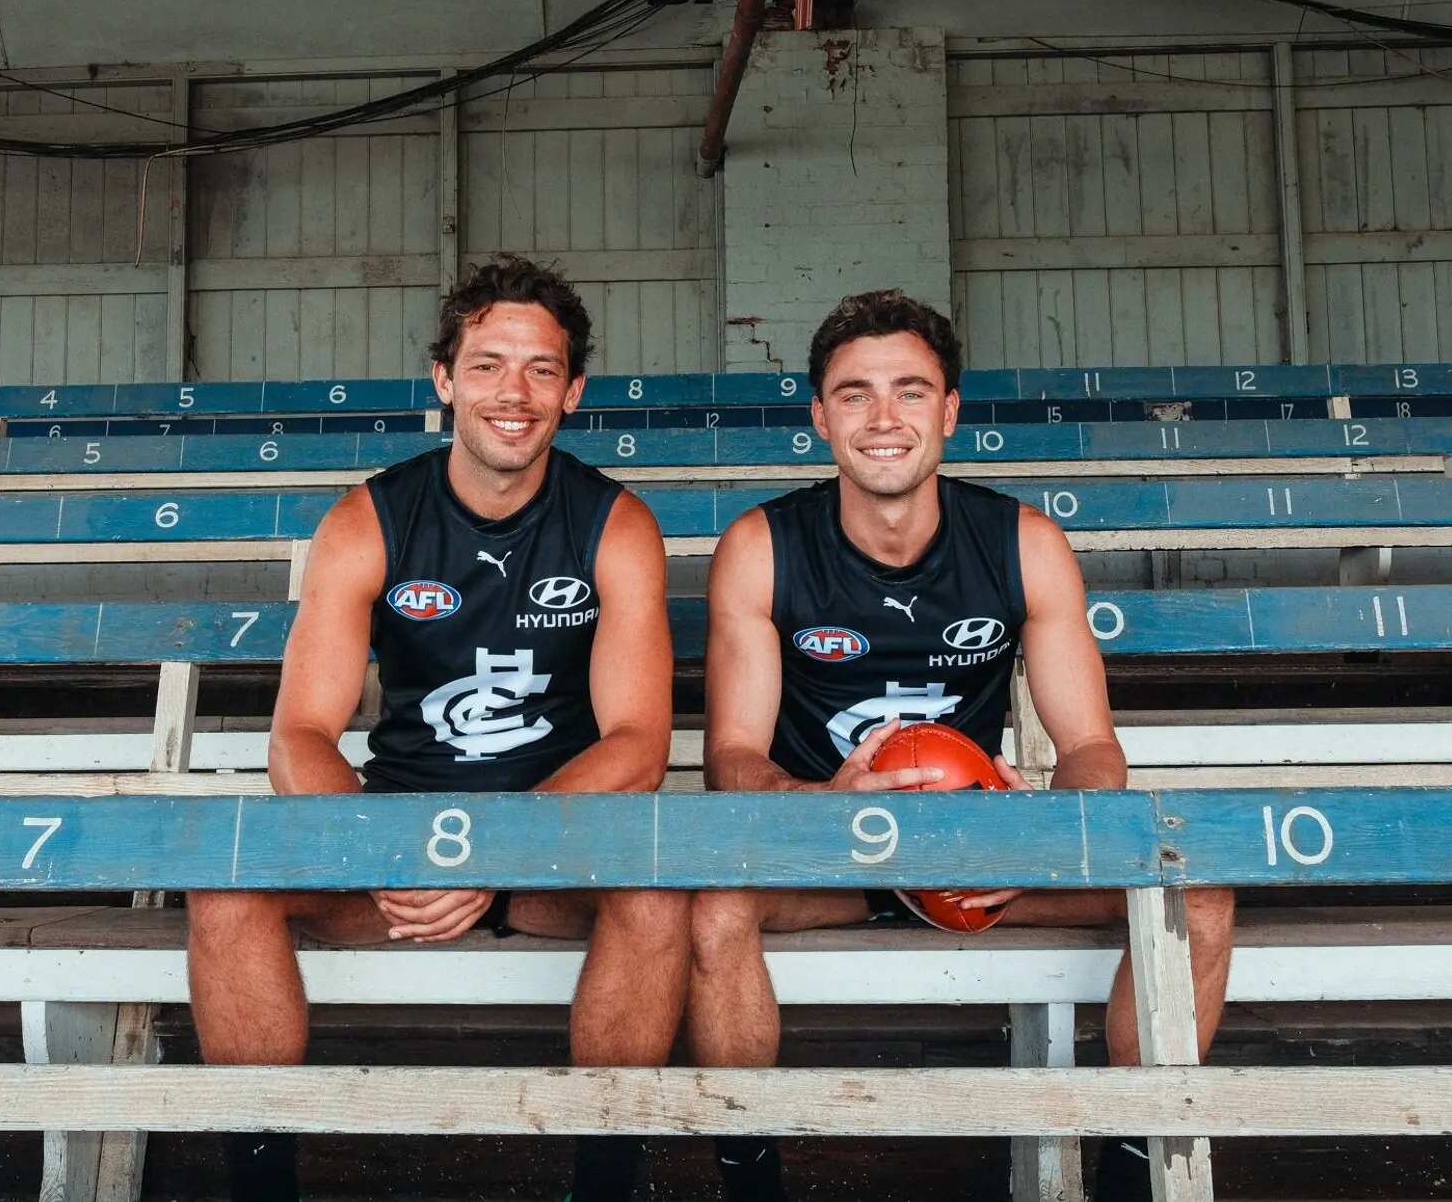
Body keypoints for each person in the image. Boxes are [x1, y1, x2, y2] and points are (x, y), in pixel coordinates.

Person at [688, 290, 1236, 1202]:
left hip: (977, 850)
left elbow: (1092, 746)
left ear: (949, 409)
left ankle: (1134, 1173)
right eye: (854, 394)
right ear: (819, 416)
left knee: (1201, 900)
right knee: (711, 907)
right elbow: (733, 761)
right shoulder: (763, 546)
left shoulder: (1022, 542)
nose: (884, 418)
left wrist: (1040, 841)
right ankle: (752, 1180)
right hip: (827, 852)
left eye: (910, 390)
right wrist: (821, 806)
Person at [186, 255, 688, 1202]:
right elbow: (299, 734)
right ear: (445, 380)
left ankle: (606, 1182)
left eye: (542, 368)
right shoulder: (366, 521)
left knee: (659, 900)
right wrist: (393, 859)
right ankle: (259, 1183)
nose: (515, 391)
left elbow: (637, 743)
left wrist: (494, 852)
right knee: (226, 897)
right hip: (399, 845)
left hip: (554, 848)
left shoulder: (616, 525)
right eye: (489, 363)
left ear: (574, 391)